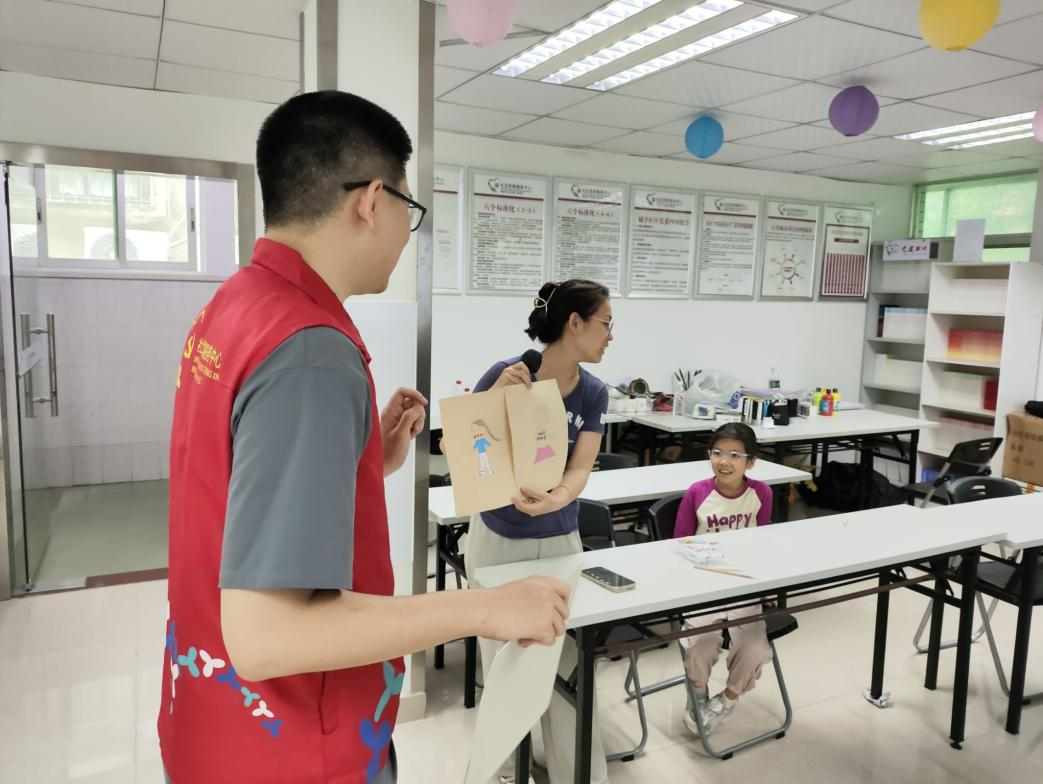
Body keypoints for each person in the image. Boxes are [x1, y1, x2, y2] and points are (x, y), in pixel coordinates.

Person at [158, 90, 571, 784]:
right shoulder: (310, 351)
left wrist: (361, 459)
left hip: (214, 721)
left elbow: (231, 490)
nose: (407, 234)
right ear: (372, 201)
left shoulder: (235, 305)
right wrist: (486, 606)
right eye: (410, 209)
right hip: (293, 747)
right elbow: (269, 637)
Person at [466, 279, 613, 784]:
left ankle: (575, 772)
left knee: (566, 662)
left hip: (558, 540)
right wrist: (495, 397)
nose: (610, 334)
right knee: (503, 665)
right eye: (605, 323)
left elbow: (580, 466)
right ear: (575, 323)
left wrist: (558, 498)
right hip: (498, 538)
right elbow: (462, 449)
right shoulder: (508, 372)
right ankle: (505, 772)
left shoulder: (593, 392)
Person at [673, 422, 774, 738]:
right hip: (705, 585)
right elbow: (679, 543)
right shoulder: (697, 493)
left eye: (734, 455)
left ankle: (726, 700)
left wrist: (764, 586)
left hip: (744, 585)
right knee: (700, 645)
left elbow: (765, 542)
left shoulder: (761, 493)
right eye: (717, 453)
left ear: (750, 462)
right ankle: (698, 694)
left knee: (754, 648)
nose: (724, 461)